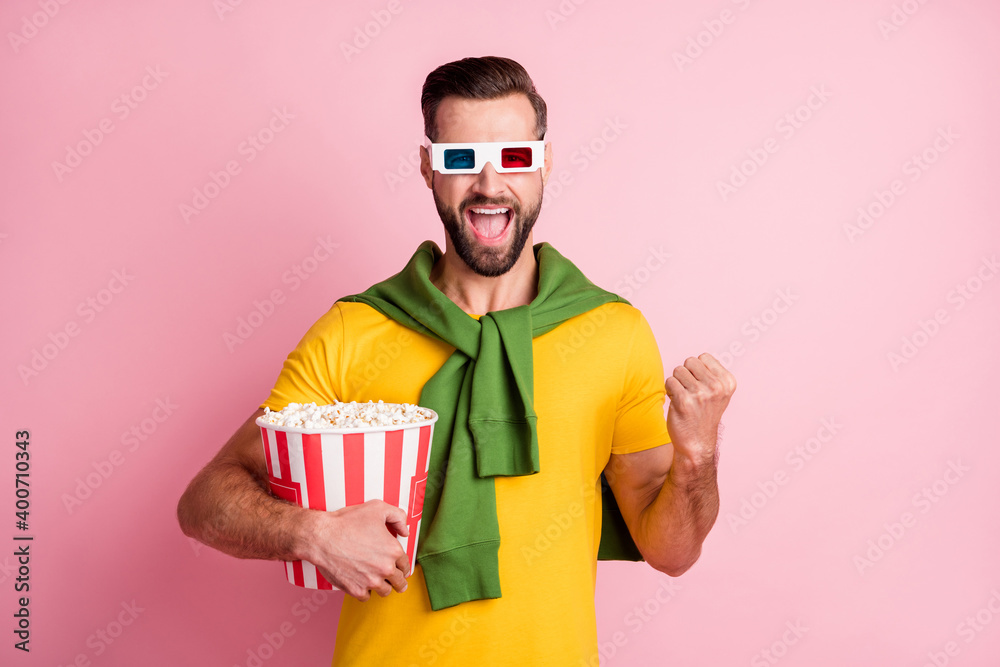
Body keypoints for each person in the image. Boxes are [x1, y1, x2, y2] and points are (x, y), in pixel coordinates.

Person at [177, 55, 736, 666]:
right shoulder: (354, 332)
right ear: (427, 168)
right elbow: (205, 501)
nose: (490, 186)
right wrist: (315, 535)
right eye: (461, 159)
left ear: (544, 164)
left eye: (515, 159)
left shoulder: (611, 334)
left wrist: (697, 457)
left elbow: (671, 552)